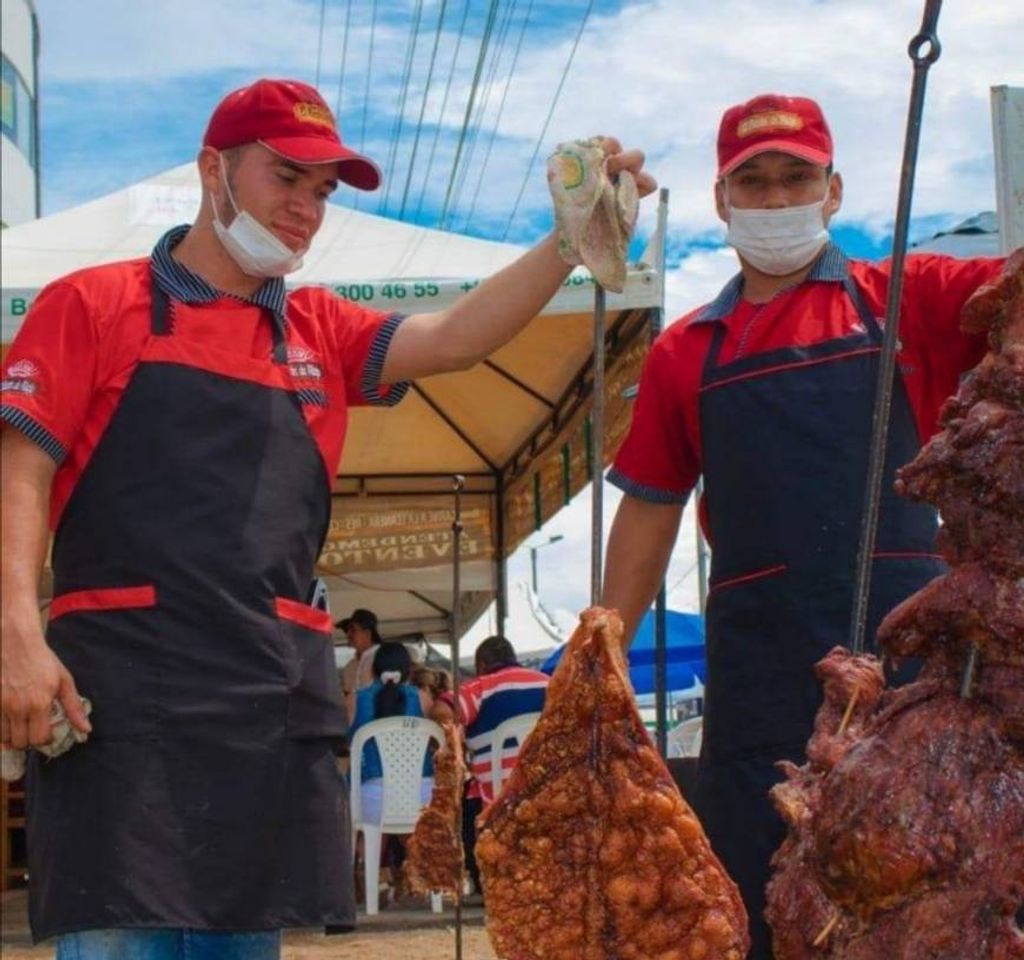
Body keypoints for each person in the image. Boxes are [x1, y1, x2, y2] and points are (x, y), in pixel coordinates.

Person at [0, 76, 654, 957]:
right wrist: (16, 636)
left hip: (264, 705)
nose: (308, 208)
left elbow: (455, 337)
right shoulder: (87, 304)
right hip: (122, 703)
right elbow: (21, 473)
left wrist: (566, 245)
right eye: (286, 178)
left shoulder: (319, 328)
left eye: (322, 191)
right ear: (213, 170)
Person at [601, 93, 1008, 960]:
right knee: (754, 906)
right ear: (723, 199)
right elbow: (648, 505)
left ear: (834, 190)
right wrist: (602, 646)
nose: (778, 197)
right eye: (757, 180)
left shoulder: (907, 297)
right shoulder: (688, 350)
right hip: (759, 682)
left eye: (798, 177)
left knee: (924, 902)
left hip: (910, 669)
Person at [431, 635, 550, 895]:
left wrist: (457, 735)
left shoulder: (481, 687)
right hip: (549, 792)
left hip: (496, 799)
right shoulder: (548, 684)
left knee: (466, 800)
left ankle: (487, 885)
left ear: (481, 664)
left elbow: (441, 710)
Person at [347, 641, 432, 902]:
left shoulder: (355, 700)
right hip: (420, 796)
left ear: (372, 669)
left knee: (368, 822)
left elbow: (344, 742)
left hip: (373, 798)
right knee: (410, 825)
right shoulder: (422, 698)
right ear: (409, 670)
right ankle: (425, 879)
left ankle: (370, 876)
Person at [338, 607, 382, 723]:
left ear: (367, 633)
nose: (348, 634)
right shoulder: (351, 666)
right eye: (346, 630)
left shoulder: (382, 657)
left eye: (353, 630)